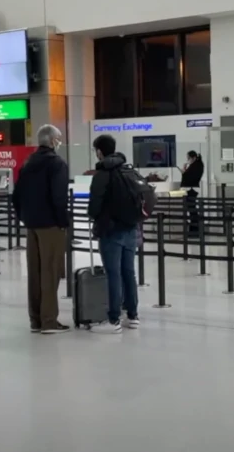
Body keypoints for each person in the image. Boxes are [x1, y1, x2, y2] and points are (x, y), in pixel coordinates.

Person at [12, 125, 70, 334]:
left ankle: (35, 320)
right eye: (59, 138)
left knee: (35, 272)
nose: (60, 141)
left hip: (31, 225)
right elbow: (59, 197)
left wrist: (24, 217)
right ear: (53, 140)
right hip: (51, 225)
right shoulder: (57, 164)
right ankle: (49, 321)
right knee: (50, 271)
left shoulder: (28, 163)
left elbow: (16, 195)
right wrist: (63, 221)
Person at [87, 134, 139, 334]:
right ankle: (132, 316)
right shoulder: (127, 169)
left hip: (111, 231)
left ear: (99, 151)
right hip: (131, 228)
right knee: (129, 272)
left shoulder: (102, 174)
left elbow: (94, 207)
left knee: (113, 274)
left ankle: (113, 319)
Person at [180, 150, 204, 234]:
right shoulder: (197, 165)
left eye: (188, 158)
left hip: (191, 189)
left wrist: (183, 171)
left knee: (192, 210)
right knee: (192, 210)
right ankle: (194, 229)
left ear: (193, 158)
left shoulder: (196, 166)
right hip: (192, 189)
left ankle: (195, 230)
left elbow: (188, 177)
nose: (188, 160)